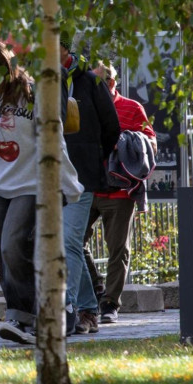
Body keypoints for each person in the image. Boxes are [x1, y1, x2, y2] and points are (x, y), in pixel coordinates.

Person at [0, 41, 83, 345]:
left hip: (31, 185)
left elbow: (53, 140)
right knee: (8, 255)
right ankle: (38, 312)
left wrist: (67, 183)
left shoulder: (31, 95)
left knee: (11, 245)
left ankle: (36, 314)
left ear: (8, 69)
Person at [85, 62, 157, 324]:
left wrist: (128, 142)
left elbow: (150, 142)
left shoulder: (131, 107)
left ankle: (110, 303)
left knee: (118, 249)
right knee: (73, 241)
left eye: (101, 83)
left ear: (112, 83)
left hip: (119, 192)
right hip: (88, 188)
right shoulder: (84, 106)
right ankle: (97, 286)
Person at [60, 35, 121, 335]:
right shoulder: (39, 81)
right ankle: (87, 308)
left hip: (82, 175)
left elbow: (112, 127)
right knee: (65, 242)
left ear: (62, 47)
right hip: (48, 175)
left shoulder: (90, 82)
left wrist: (92, 154)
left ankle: (68, 309)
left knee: (70, 241)